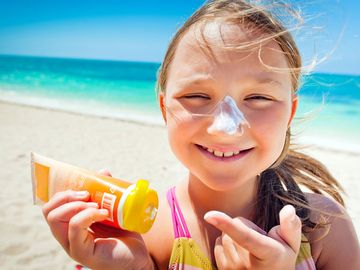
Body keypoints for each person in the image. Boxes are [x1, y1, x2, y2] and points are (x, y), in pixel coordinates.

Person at [42, 0, 360, 269]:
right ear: (165, 108)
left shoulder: (323, 226)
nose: (225, 127)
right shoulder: (145, 232)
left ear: (288, 114)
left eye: (258, 98)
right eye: (197, 96)